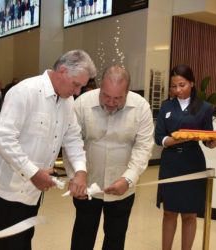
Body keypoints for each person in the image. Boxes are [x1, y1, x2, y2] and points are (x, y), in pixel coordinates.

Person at [0, 49, 97, 250]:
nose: (78, 92)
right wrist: (33, 173)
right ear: (63, 71)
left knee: (25, 238)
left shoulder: (67, 101)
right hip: (9, 187)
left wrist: (80, 171)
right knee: (11, 245)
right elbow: (2, 138)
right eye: (76, 85)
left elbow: (72, 137)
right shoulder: (24, 91)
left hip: (35, 188)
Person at [66, 65, 154, 250]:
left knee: (115, 238)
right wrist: (76, 175)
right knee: (83, 235)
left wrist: (128, 179)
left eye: (118, 98)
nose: (111, 102)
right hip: (87, 185)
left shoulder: (141, 107)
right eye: (106, 96)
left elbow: (143, 147)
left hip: (122, 187)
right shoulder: (82, 103)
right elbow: (71, 141)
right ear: (100, 86)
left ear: (127, 92)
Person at [155, 65, 216, 250]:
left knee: (189, 214)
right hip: (171, 163)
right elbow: (159, 137)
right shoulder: (167, 106)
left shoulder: (204, 107)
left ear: (191, 83)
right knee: (169, 212)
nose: (177, 90)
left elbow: (207, 137)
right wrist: (176, 140)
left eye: (182, 85)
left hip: (192, 162)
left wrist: (212, 143)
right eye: (174, 86)